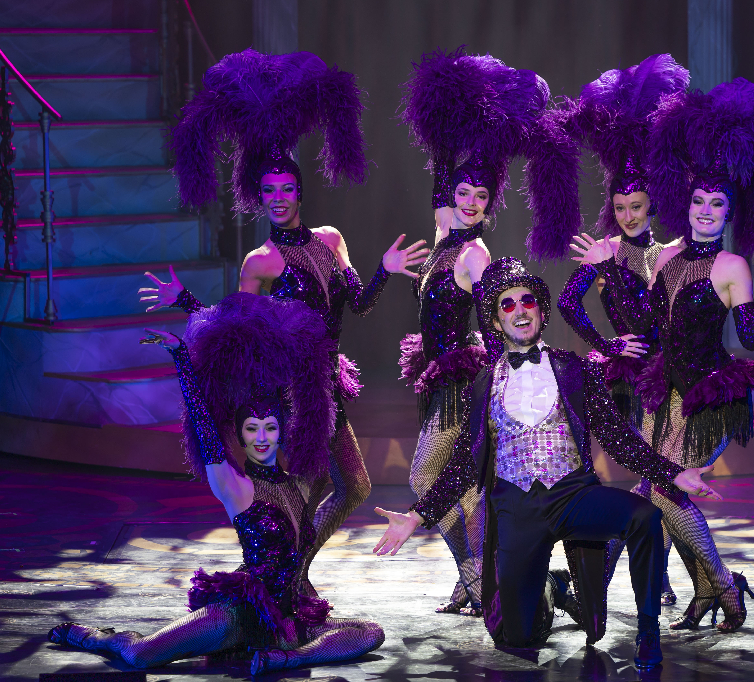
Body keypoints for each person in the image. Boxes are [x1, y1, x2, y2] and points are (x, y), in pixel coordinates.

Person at [372, 258, 722, 670]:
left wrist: (673, 473)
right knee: (518, 636)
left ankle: (648, 632)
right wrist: (417, 516)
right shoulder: (482, 383)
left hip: (573, 495)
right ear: (497, 321)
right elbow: (464, 462)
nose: (519, 310)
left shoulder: (576, 369)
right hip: (517, 508)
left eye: (527, 301)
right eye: (507, 305)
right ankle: (552, 589)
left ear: (541, 312)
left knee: (645, 516)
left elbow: (617, 437)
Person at [139, 49, 428, 535]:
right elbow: (238, 333)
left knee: (353, 487)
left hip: (327, 381)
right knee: (306, 490)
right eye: (269, 190)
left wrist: (384, 269)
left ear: (300, 193)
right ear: (260, 195)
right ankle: (290, 569)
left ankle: (297, 566)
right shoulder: (261, 262)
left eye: (286, 189)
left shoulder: (331, 240)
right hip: (292, 387)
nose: (277, 198)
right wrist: (187, 302)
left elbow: (359, 304)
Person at [49, 294, 384, 675]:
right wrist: (181, 359)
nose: (262, 438)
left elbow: (320, 423)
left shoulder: (298, 486)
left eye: (269, 428)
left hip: (292, 617)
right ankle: (97, 637)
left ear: (281, 432)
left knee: (370, 632)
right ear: (240, 437)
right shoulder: (235, 486)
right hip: (239, 614)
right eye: (252, 429)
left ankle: (289, 658)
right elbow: (205, 427)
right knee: (140, 655)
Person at [595, 77, 754, 632]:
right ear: (687, 203)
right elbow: (642, 323)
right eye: (698, 200)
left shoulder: (733, 266)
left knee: (665, 489)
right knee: (655, 489)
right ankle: (703, 591)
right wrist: (608, 271)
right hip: (663, 391)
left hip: (709, 396)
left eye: (716, 204)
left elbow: (749, 337)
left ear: (728, 212)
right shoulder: (665, 255)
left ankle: (721, 585)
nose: (704, 211)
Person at [396, 48, 582, 615]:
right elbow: (442, 187)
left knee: (428, 477)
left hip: (463, 378)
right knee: (465, 484)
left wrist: (511, 373)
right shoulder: (444, 233)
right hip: (437, 374)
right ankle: (477, 577)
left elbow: (492, 318)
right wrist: (445, 144)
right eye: (464, 195)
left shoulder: (473, 254)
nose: (472, 203)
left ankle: (477, 573)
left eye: (481, 197)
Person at [556, 53, 689, 606]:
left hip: (672, 377)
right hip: (628, 379)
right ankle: (637, 579)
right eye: (620, 206)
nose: (629, 215)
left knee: (662, 478)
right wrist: (606, 343)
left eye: (636, 206)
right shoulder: (606, 248)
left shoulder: (670, 252)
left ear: (652, 204)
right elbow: (566, 302)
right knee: (652, 476)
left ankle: (641, 579)